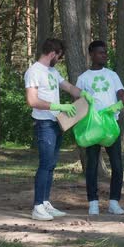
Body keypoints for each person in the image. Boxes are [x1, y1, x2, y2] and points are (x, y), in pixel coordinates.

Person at [25, 38, 93, 221]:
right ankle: (37, 206)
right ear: (53, 54)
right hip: (44, 124)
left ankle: (46, 202)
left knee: (52, 164)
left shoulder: (53, 71)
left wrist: (83, 94)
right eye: (59, 57)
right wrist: (58, 106)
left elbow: (69, 87)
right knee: (45, 164)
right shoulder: (34, 71)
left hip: (57, 124)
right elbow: (32, 101)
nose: (59, 60)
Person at [76, 40, 124, 216]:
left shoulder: (112, 75)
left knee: (117, 166)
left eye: (105, 52)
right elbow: (78, 100)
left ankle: (114, 202)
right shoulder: (83, 78)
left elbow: (121, 92)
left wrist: (122, 100)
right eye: (100, 53)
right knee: (91, 166)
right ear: (91, 54)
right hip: (93, 127)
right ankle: (93, 203)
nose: (104, 55)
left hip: (110, 125)